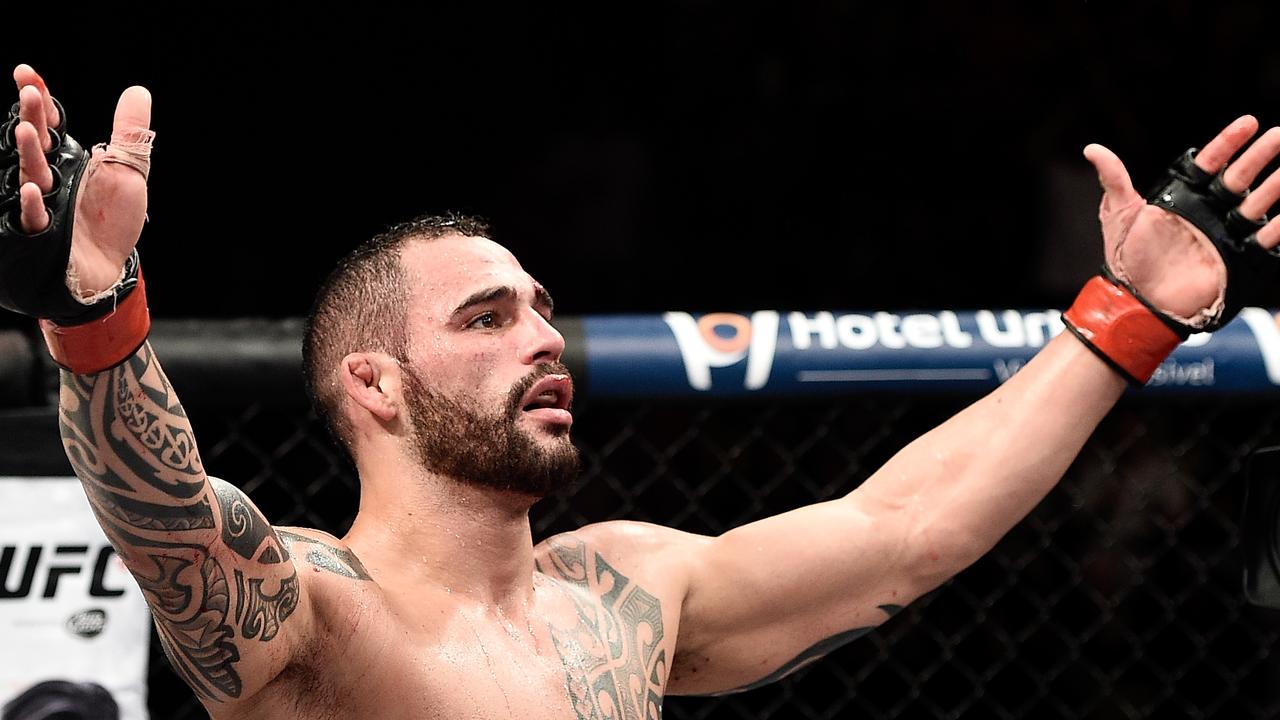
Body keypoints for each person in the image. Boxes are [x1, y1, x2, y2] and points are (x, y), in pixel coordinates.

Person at [3, 63, 1279, 720]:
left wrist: (1130, 315)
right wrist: (91, 314)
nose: (541, 339)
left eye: (543, 310)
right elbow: (168, 522)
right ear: (374, 385)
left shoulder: (626, 592)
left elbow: (905, 531)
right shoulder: (315, 613)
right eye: (487, 317)